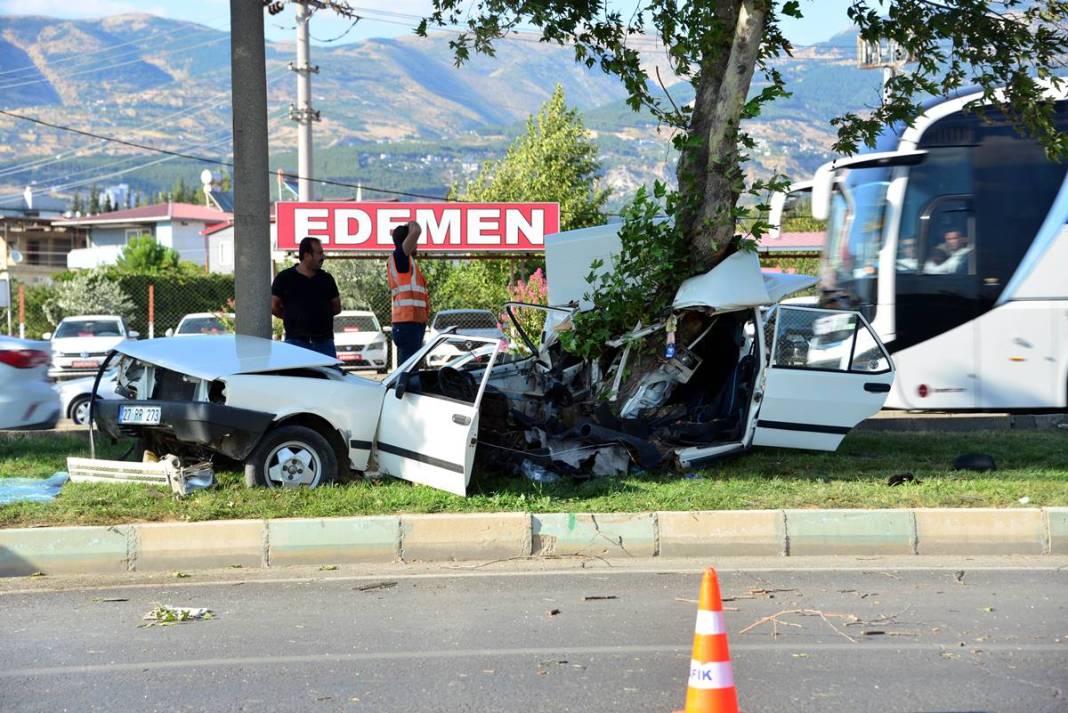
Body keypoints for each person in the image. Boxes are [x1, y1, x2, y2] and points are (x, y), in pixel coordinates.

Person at [271, 237, 342, 357]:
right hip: (295, 342)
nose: (323, 257)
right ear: (307, 255)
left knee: (329, 370)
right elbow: (274, 306)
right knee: (297, 370)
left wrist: (319, 316)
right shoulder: (284, 278)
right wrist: (291, 317)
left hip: (324, 342)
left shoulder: (326, 279)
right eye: (319, 253)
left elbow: (337, 307)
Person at [387, 221, 429, 365]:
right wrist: (409, 225)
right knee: (409, 369)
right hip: (407, 323)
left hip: (412, 323)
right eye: (414, 241)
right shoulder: (400, 257)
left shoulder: (406, 261)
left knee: (410, 367)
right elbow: (416, 229)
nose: (417, 245)